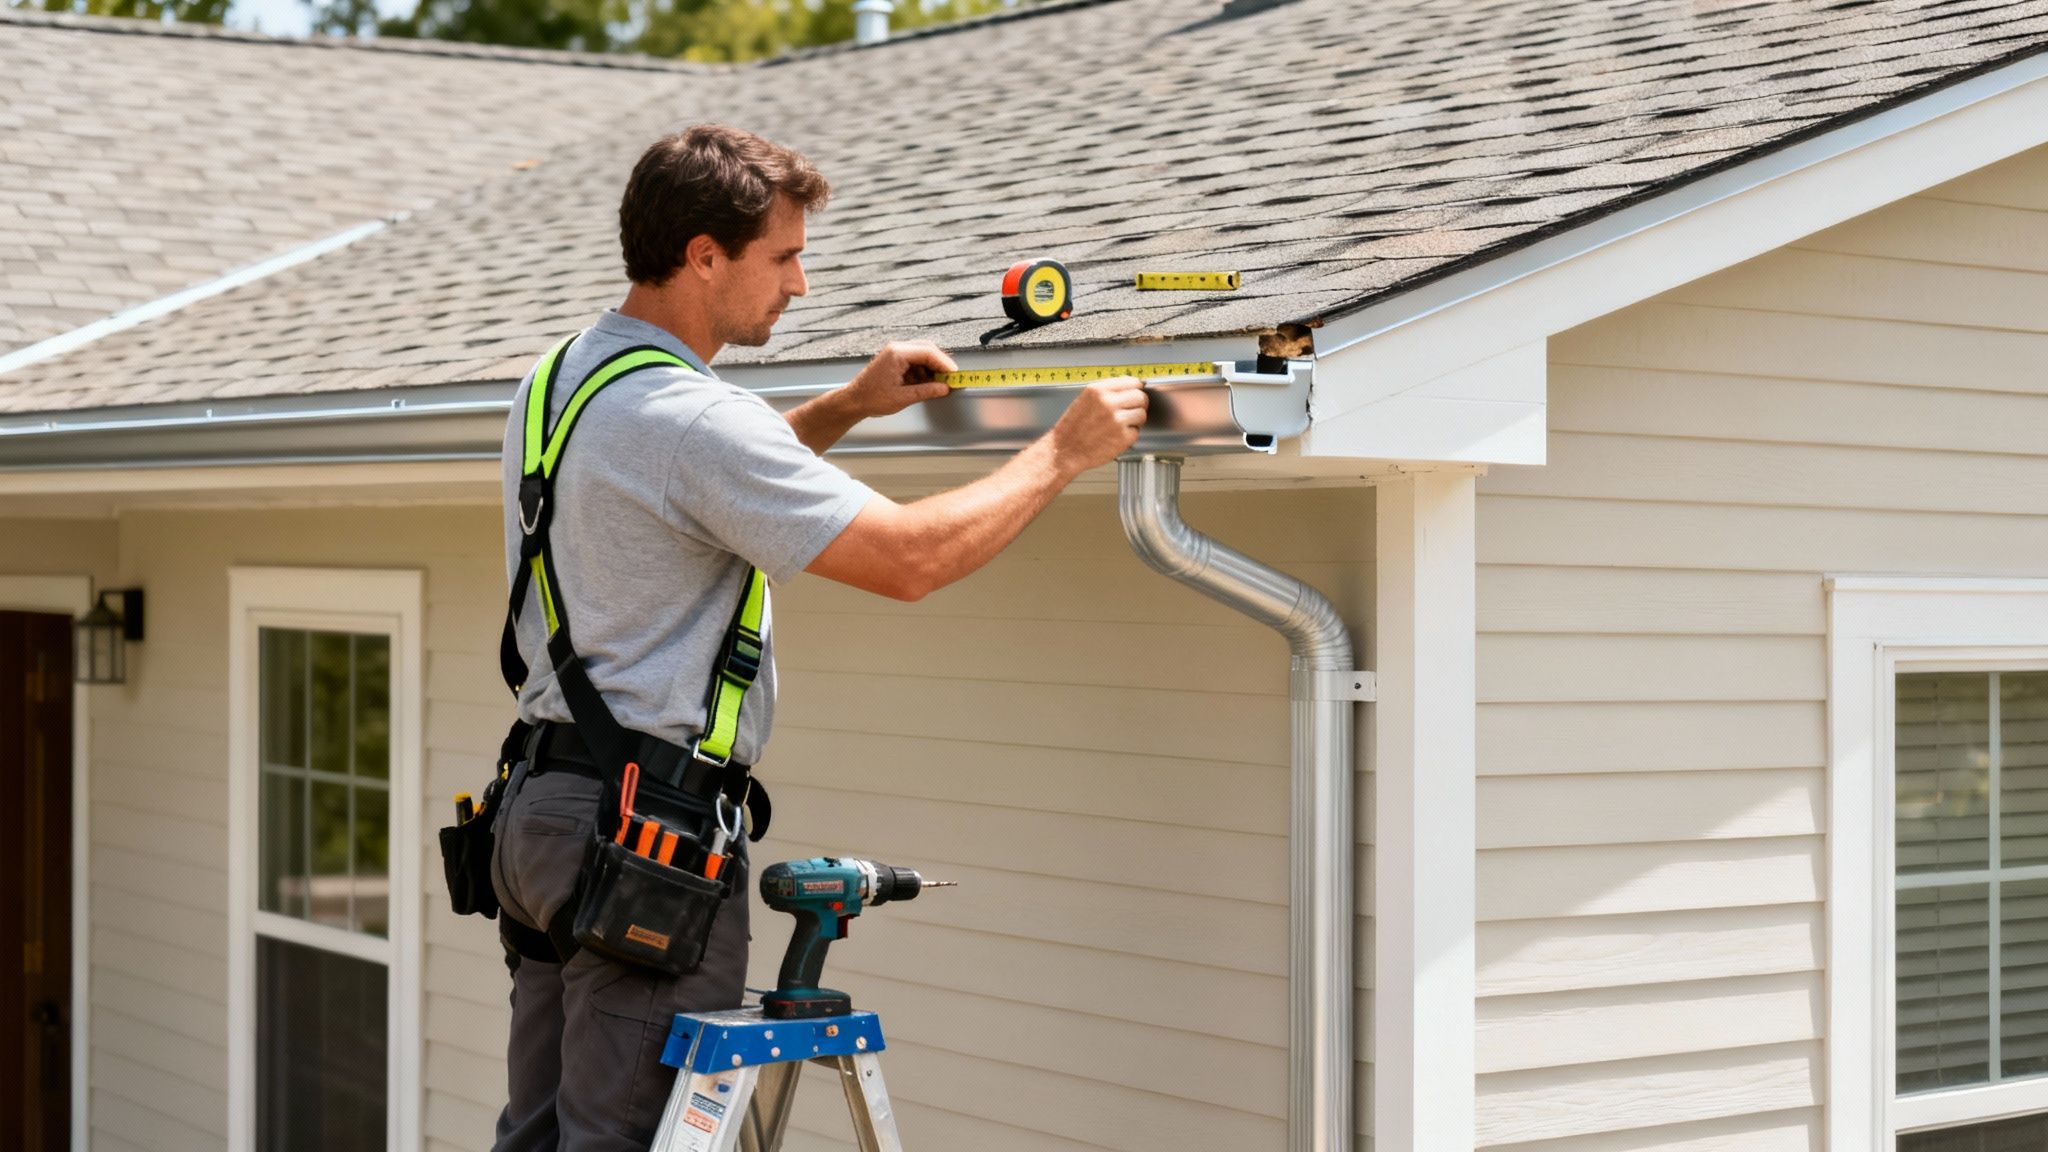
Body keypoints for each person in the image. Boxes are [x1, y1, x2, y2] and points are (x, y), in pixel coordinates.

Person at [488, 124, 1148, 1151]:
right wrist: (1063, 450)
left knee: (537, 1135)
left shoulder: (564, 381)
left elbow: (690, 494)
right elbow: (909, 559)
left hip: (540, 816)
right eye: (783, 256)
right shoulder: (692, 419)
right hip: (640, 835)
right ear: (704, 254)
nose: (799, 285)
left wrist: (845, 406)